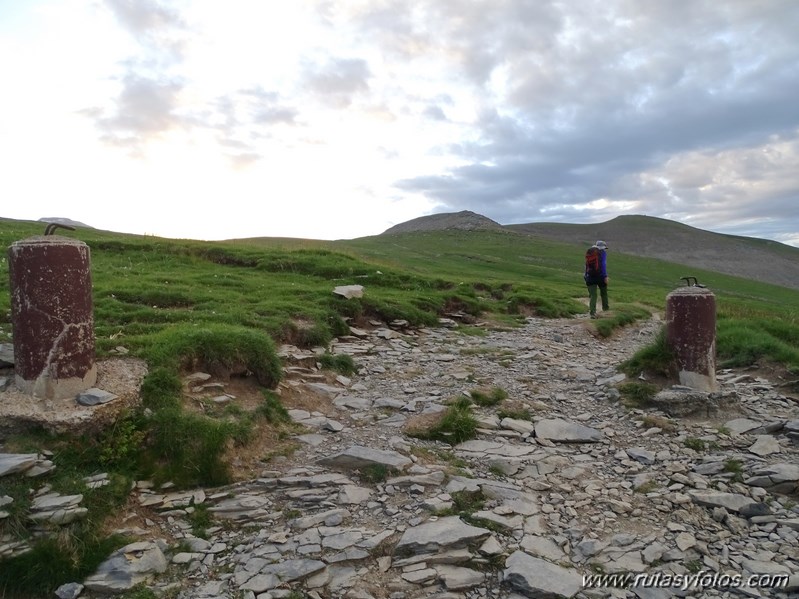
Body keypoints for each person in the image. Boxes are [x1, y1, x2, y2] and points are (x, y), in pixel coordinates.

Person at [584, 240, 609, 319]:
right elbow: (603, 265)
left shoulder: (590, 253)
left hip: (590, 277)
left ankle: (592, 313)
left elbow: (587, 266)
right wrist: (605, 276)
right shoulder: (602, 253)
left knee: (593, 295)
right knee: (604, 293)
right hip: (601, 277)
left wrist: (586, 276)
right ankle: (606, 310)